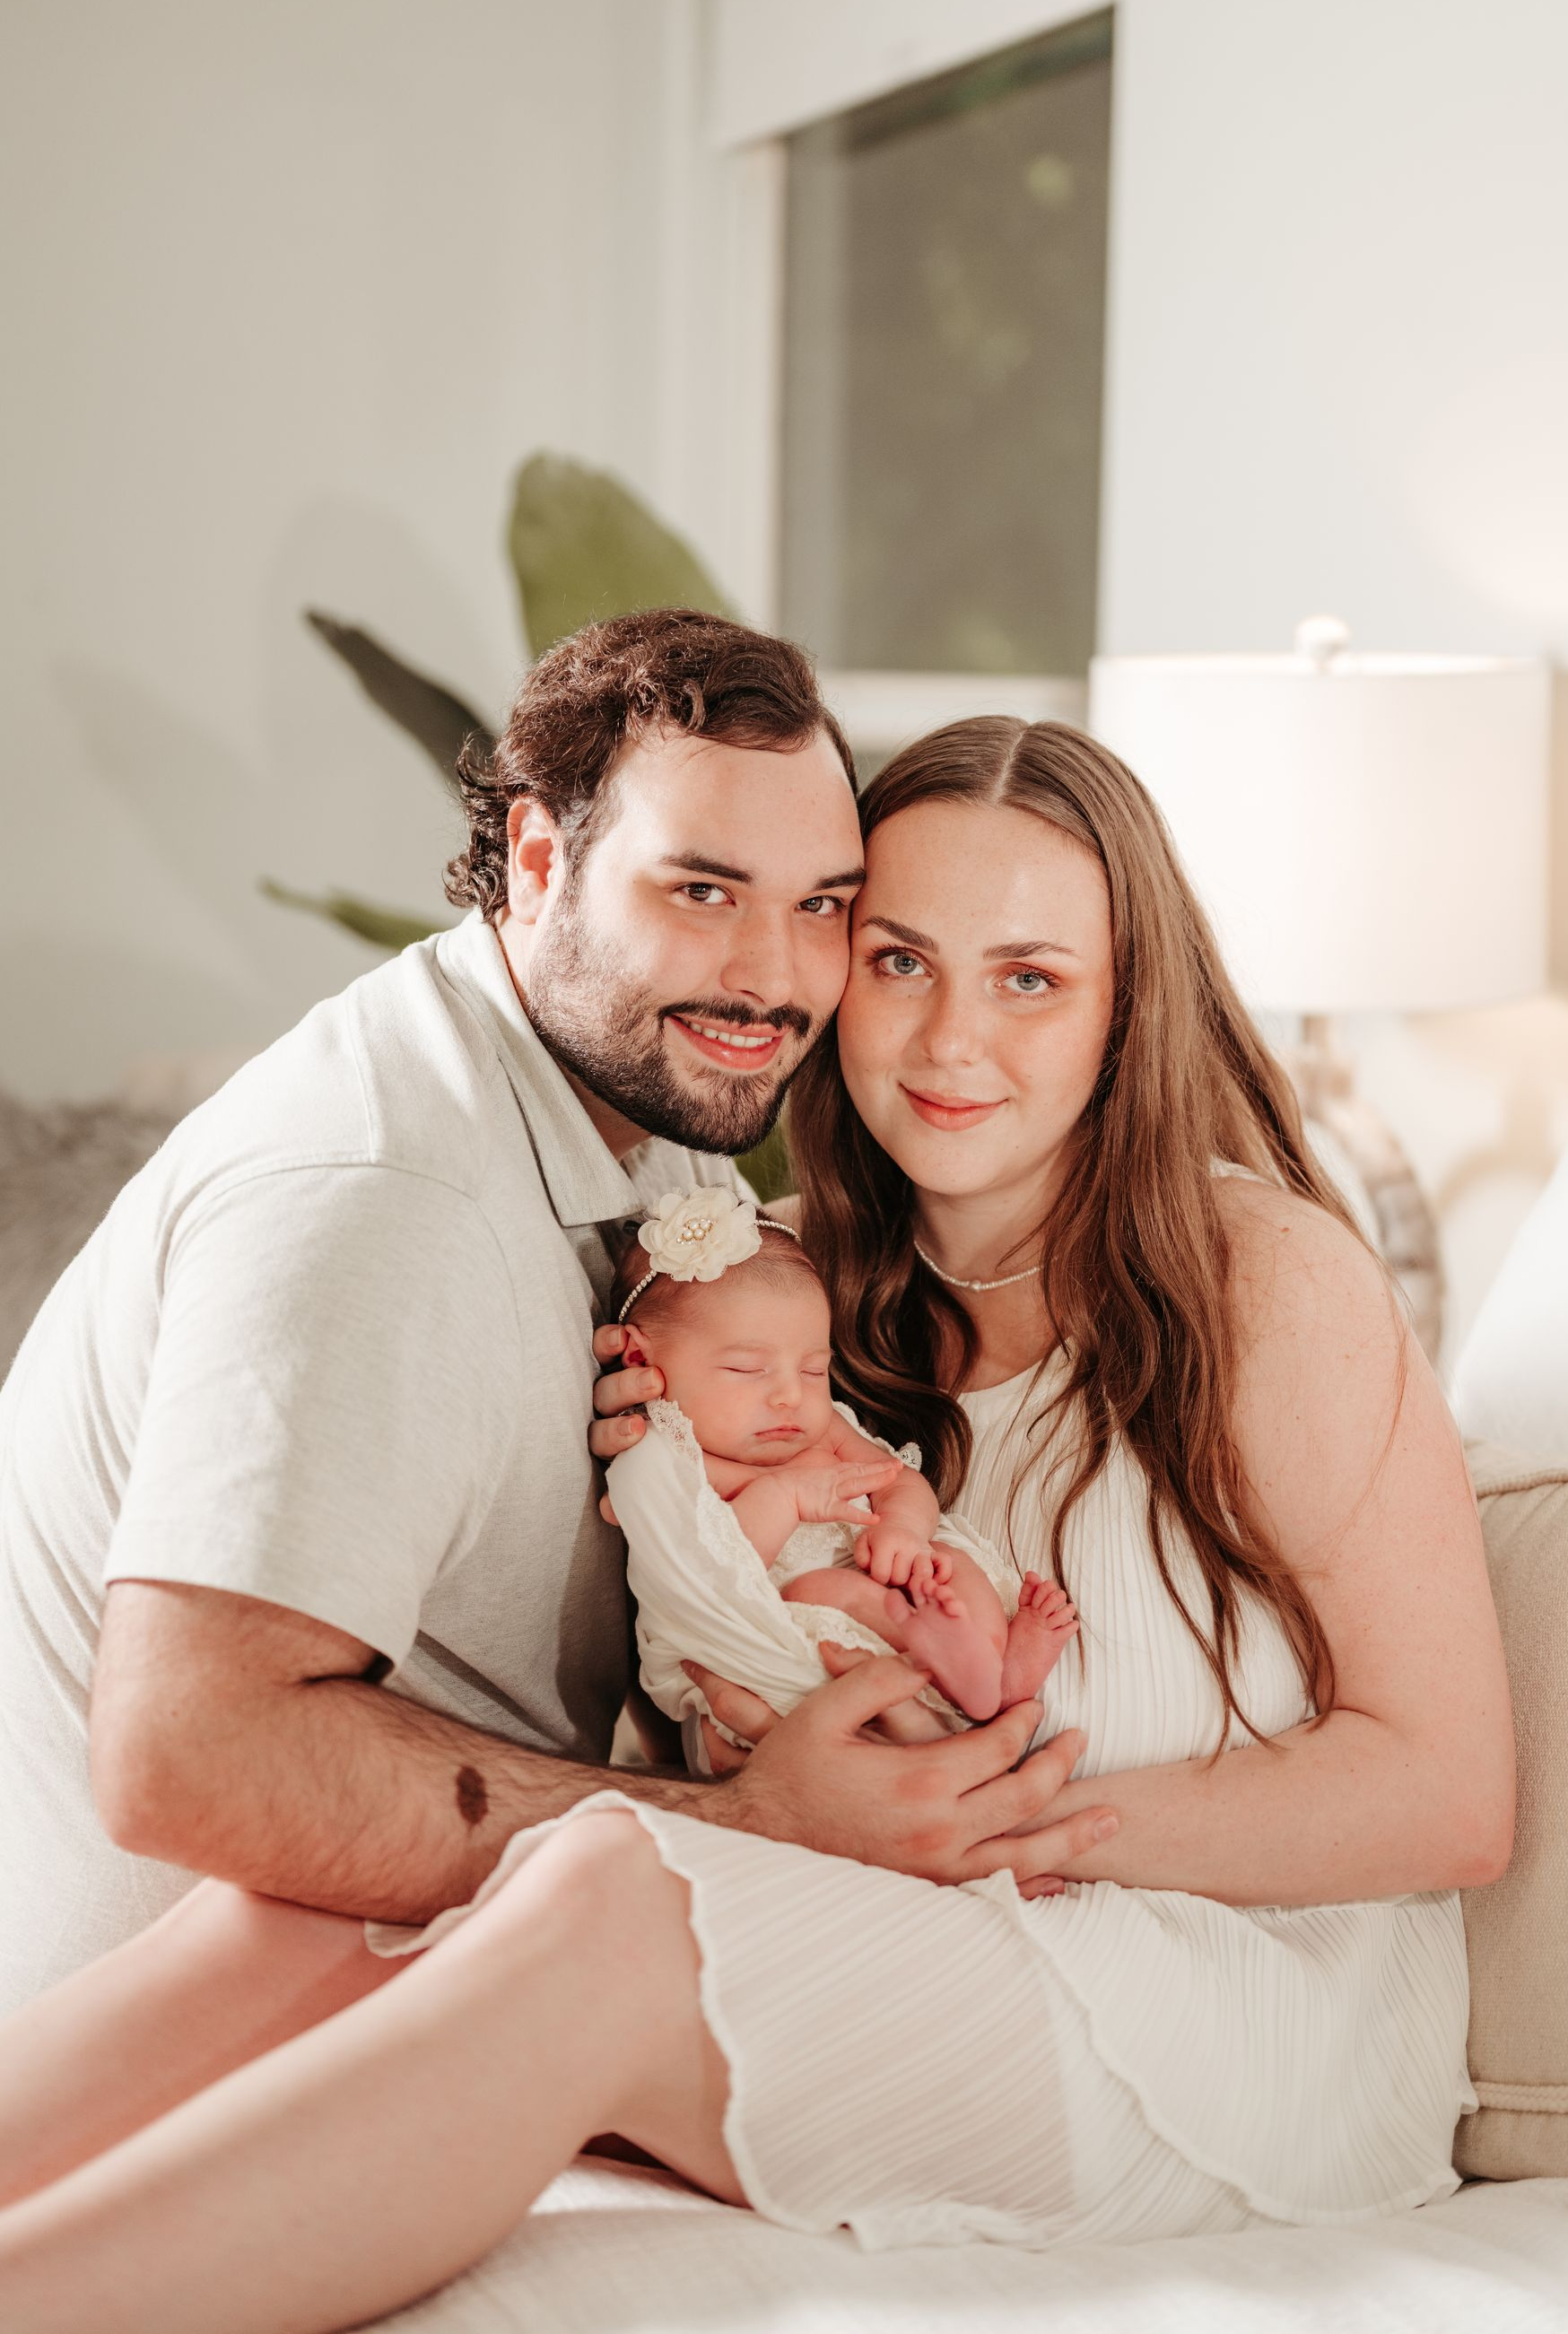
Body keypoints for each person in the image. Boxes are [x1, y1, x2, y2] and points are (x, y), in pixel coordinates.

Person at [0, 716, 1511, 2330]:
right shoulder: (752, 1293)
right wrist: (678, 1524)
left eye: (1027, 978)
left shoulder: (1260, 1277)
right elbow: (701, 1685)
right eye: (899, 960)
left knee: (598, 1898)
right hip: (916, 1924)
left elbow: (1442, 1794)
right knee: (328, 1894)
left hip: (1226, 2018)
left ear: (1124, 1008)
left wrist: (964, 1828)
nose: (946, 1043)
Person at [0, 612, 1093, 2019]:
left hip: (449, 1953)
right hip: (197, 2032)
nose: (772, 975)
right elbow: (185, 1757)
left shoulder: (665, 1112)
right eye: (702, 891)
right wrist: (757, 1830)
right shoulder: (379, 1199)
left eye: (822, 904)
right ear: (534, 858)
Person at [601, 1189, 1079, 1727]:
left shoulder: (820, 1426)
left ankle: (995, 1671)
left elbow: (895, 1479)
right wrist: (782, 1494)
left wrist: (902, 1530)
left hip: (891, 1576)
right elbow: (713, 1578)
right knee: (818, 1589)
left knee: (950, 1562)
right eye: (746, 1370)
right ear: (642, 1357)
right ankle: (937, 1651)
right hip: (796, 1619)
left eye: (812, 1370)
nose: (790, 1395)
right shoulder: (661, 1458)